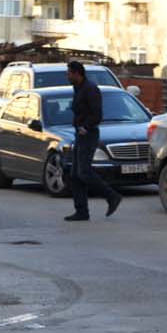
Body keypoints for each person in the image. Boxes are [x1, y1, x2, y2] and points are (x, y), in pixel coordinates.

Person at [64, 61, 122, 222]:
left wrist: (86, 126)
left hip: (88, 134)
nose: (67, 76)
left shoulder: (90, 89)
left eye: (68, 73)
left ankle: (111, 196)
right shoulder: (78, 88)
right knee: (75, 174)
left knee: (84, 172)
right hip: (79, 133)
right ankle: (81, 211)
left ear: (77, 73)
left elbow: (97, 114)